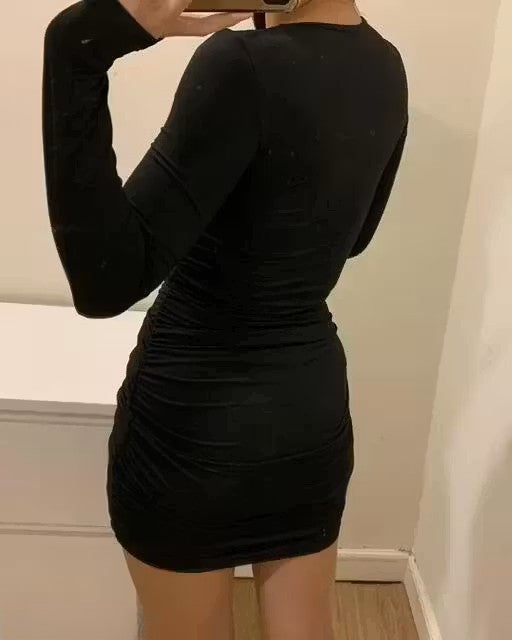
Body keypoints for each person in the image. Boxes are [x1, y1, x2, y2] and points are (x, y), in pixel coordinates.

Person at [42, 0, 408, 637]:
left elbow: (105, 282)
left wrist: (78, 45)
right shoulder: (385, 64)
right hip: (308, 412)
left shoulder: (241, 65)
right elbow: (353, 239)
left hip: (196, 422)